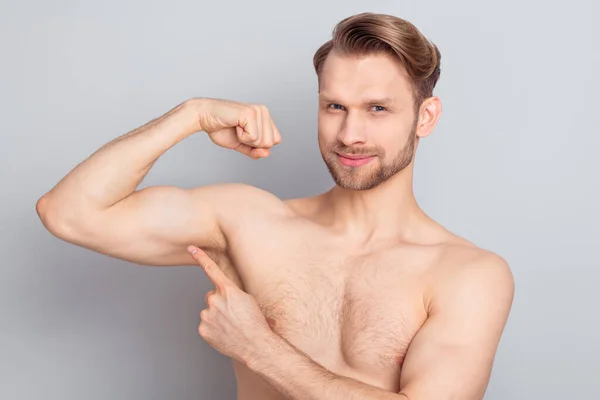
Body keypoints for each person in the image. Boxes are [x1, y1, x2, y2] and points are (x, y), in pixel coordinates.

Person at [36, 12, 514, 400]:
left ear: (424, 117)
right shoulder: (250, 223)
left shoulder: (468, 273)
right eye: (334, 107)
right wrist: (191, 115)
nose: (350, 135)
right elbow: (69, 212)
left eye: (377, 109)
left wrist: (260, 348)